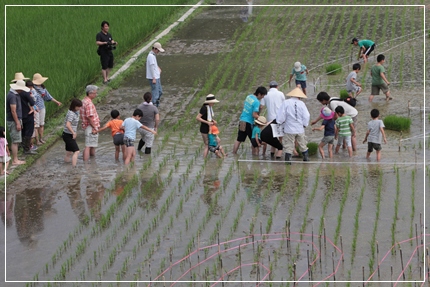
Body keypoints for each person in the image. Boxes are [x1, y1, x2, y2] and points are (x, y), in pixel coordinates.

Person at [276, 87, 310, 163]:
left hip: (289, 129)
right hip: (300, 129)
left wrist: (279, 122)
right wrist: (304, 124)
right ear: (299, 96)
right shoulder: (302, 104)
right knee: (303, 145)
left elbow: (281, 115)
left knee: (288, 146)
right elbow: (307, 115)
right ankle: (306, 161)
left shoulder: (286, 102)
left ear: (292, 95)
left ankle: (288, 163)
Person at [232, 87, 267, 154]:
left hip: (242, 120)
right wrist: (261, 118)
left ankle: (234, 153)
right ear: (259, 94)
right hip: (249, 122)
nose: (262, 98)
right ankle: (255, 156)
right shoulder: (256, 102)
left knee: (239, 139)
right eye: (262, 96)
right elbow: (254, 115)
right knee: (254, 140)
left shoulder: (248, 97)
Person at [32, 73, 62, 144]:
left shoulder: (43, 88)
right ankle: (37, 141)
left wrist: (56, 102)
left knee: (42, 124)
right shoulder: (32, 89)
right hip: (35, 109)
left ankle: (41, 138)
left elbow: (48, 96)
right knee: (36, 125)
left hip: (42, 107)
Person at [7, 80, 29, 165]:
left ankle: (16, 159)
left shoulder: (14, 94)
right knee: (15, 141)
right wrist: (17, 123)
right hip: (13, 121)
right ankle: (15, 160)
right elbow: (13, 111)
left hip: (15, 120)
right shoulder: (12, 96)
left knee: (16, 140)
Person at [261, 81, 285, 155]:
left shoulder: (266, 95)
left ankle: (272, 153)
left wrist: (258, 117)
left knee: (273, 137)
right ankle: (279, 152)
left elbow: (261, 106)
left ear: (269, 87)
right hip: (279, 118)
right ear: (277, 86)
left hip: (270, 119)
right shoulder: (281, 94)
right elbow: (284, 106)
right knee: (280, 137)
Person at [80, 85, 100, 161]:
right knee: (88, 145)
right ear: (90, 93)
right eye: (95, 93)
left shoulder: (83, 101)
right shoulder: (89, 104)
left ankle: (92, 161)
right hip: (90, 126)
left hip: (86, 125)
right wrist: (95, 127)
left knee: (92, 145)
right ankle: (86, 164)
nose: (96, 94)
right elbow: (89, 117)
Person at [63, 98, 83, 167]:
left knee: (69, 152)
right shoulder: (71, 114)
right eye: (78, 107)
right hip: (68, 135)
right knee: (77, 151)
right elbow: (68, 125)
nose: (79, 108)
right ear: (74, 106)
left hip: (67, 134)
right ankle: (74, 167)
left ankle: (66, 165)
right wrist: (73, 133)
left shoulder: (74, 112)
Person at [18, 81, 36, 155]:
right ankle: (27, 149)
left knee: (23, 131)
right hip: (28, 114)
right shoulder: (26, 93)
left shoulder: (16, 93)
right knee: (29, 132)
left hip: (20, 114)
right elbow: (32, 102)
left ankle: (22, 147)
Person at [146, 42, 165, 107]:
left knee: (160, 92)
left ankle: (156, 103)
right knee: (155, 93)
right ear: (155, 49)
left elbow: (154, 65)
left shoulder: (153, 55)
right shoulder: (151, 56)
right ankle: (154, 105)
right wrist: (153, 78)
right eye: (158, 50)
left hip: (157, 76)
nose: (158, 52)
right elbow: (151, 67)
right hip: (153, 78)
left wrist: (158, 68)